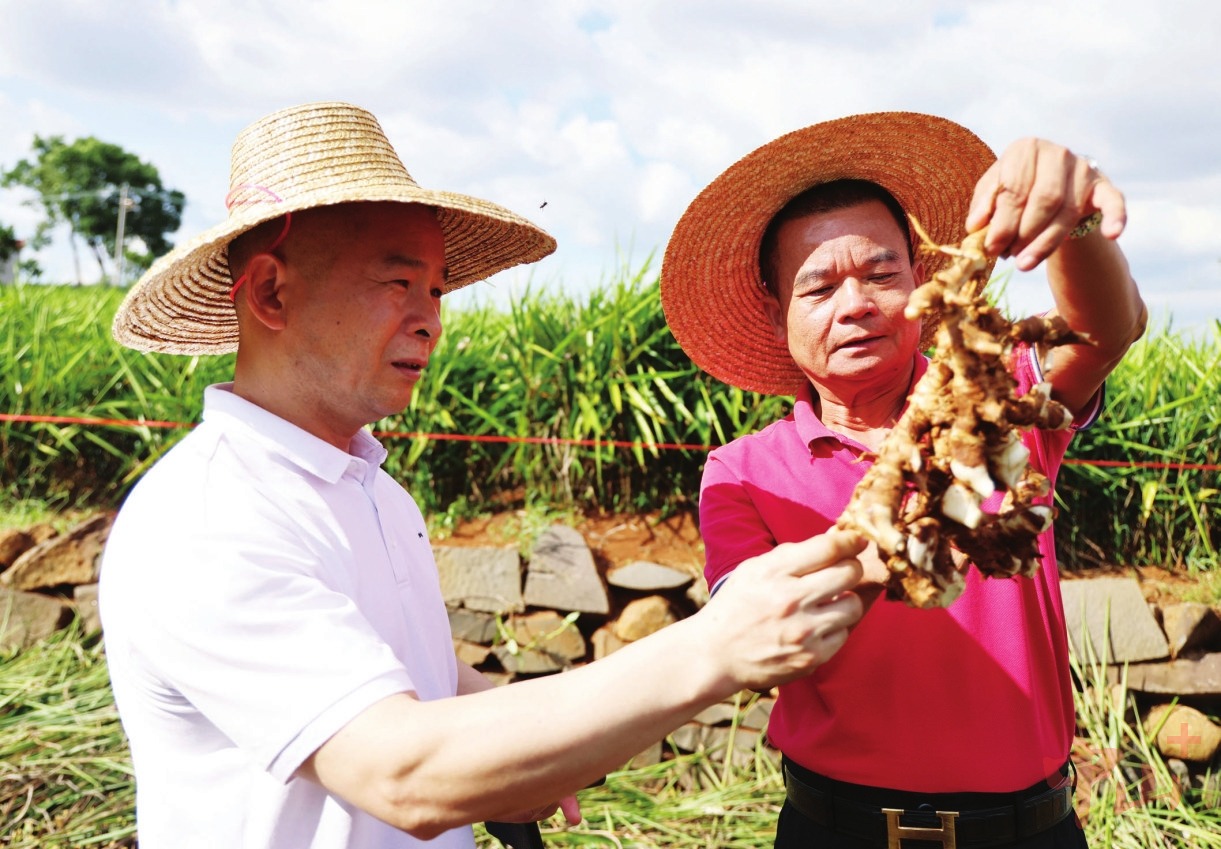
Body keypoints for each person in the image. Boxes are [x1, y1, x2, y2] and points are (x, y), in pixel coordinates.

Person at [98, 101, 867, 849]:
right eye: (397, 282)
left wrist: (513, 733)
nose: (431, 317)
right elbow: (402, 771)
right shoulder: (206, 517)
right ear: (271, 291)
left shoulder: (373, 491)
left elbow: (408, 672)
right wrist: (713, 646)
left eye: (435, 289)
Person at [659, 112, 1147, 849]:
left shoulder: (996, 391)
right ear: (775, 310)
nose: (855, 303)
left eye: (881, 273)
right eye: (818, 287)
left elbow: (1109, 326)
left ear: (921, 279)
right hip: (836, 829)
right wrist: (942, 506)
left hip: (1030, 830)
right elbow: (751, 634)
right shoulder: (743, 472)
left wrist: (1071, 219)